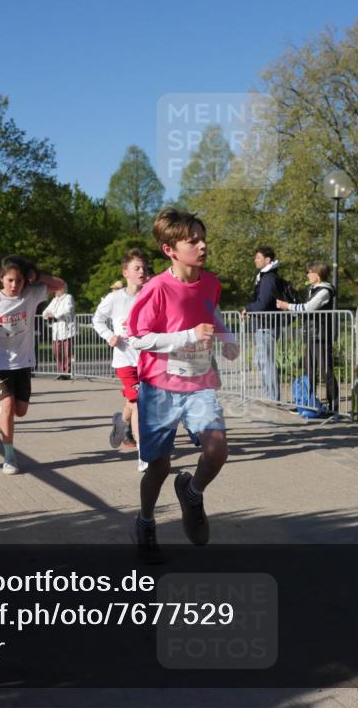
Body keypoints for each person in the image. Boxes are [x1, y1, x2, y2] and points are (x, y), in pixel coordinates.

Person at [127, 208, 239, 562]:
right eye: (192, 241)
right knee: (159, 467)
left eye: (203, 238)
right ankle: (145, 521)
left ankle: (192, 493)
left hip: (200, 382)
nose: (202, 245)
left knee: (217, 448)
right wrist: (187, 335)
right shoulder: (156, 289)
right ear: (169, 249)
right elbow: (138, 338)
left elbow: (212, 310)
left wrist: (226, 335)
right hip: (160, 387)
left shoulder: (211, 281)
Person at [0, 255, 65, 475]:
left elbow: (60, 285)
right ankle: (9, 456)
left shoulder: (31, 294)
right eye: (10, 280)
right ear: (1, 279)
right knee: (10, 406)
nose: (14, 285)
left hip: (23, 361)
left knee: (20, 411)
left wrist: (37, 276)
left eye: (19, 281)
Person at [92, 248, 150, 450]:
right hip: (125, 360)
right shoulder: (114, 298)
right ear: (126, 273)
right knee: (137, 401)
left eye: (144, 267)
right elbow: (97, 320)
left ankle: (120, 422)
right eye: (137, 268)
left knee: (134, 402)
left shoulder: (151, 295)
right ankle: (143, 451)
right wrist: (109, 336)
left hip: (148, 360)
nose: (142, 271)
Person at [277, 261, 338, 414]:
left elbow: (309, 308)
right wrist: (291, 307)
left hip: (321, 336)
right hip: (311, 335)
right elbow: (304, 310)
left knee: (326, 371)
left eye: (309, 272)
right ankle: (307, 403)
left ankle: (334, 407)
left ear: (317, 274)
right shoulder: (313, 289)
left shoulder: (324, 290)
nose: (307, 274)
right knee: (308, 370)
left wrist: (288, 306)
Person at [242, 246, 283, 402]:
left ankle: (272, 397)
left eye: (258, 258)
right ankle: (269, 395)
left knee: (267, 362)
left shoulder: (269, 278)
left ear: (267, 260)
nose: (255, 260)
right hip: (263, 325)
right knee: (261, 361)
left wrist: (248, 308)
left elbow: (263, 303)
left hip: (267, 325)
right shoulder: (264, 277)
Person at [42, 284, 77, 380]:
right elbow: (45, 312)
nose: (55, 291)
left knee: (67, 352)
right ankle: (61, 371)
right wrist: (47, 315)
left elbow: (68, 310)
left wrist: (54, 315)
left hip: (67, 329)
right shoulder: (54, 300)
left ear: (62, 289)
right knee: (57, 352)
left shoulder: (68, 297)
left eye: (56, 289)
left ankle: (67, 372)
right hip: (56, 330)